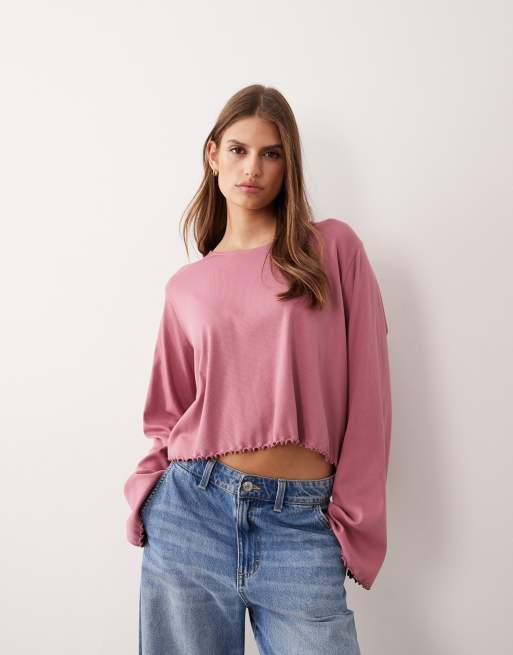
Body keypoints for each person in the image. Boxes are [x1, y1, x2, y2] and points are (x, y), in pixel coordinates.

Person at [123, 84, 392, 655]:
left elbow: (371, 395)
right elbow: (167, 412)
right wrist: (149, 493)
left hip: (302, 524)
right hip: (191, 515)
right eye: (239, 150)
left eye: (271, 153)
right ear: (213, 155)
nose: (253, 168)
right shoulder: (186, 288)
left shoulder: (331, 250)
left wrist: (353, 520)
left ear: (288, 164)